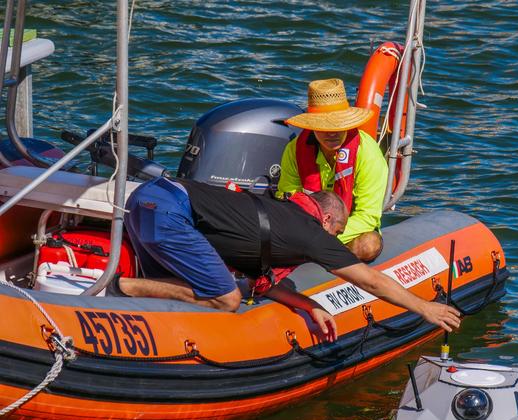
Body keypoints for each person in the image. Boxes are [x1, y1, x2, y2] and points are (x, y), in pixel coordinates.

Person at [117, 177, 461, 342]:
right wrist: (425, 308)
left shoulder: (279, 211)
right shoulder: (312, 233)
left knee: (196, 287)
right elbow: (369, 280)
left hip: (146, 197)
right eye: (337, 231)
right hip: (168, 213)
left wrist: (306, 304)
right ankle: (125, 286)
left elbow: (261, 283)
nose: (335, 238)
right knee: (227, 298)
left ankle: (126, 294)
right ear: (326, 220)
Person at [277, 78, 388, 262]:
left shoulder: (368, 153)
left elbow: (367, 216)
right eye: (324, 126)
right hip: (303, 231)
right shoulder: (294, 150)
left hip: (343, 233)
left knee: (369, 245)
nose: (332, 133)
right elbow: (286, 198)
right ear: (312, 126)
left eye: (338, 125)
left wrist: (323, 238)